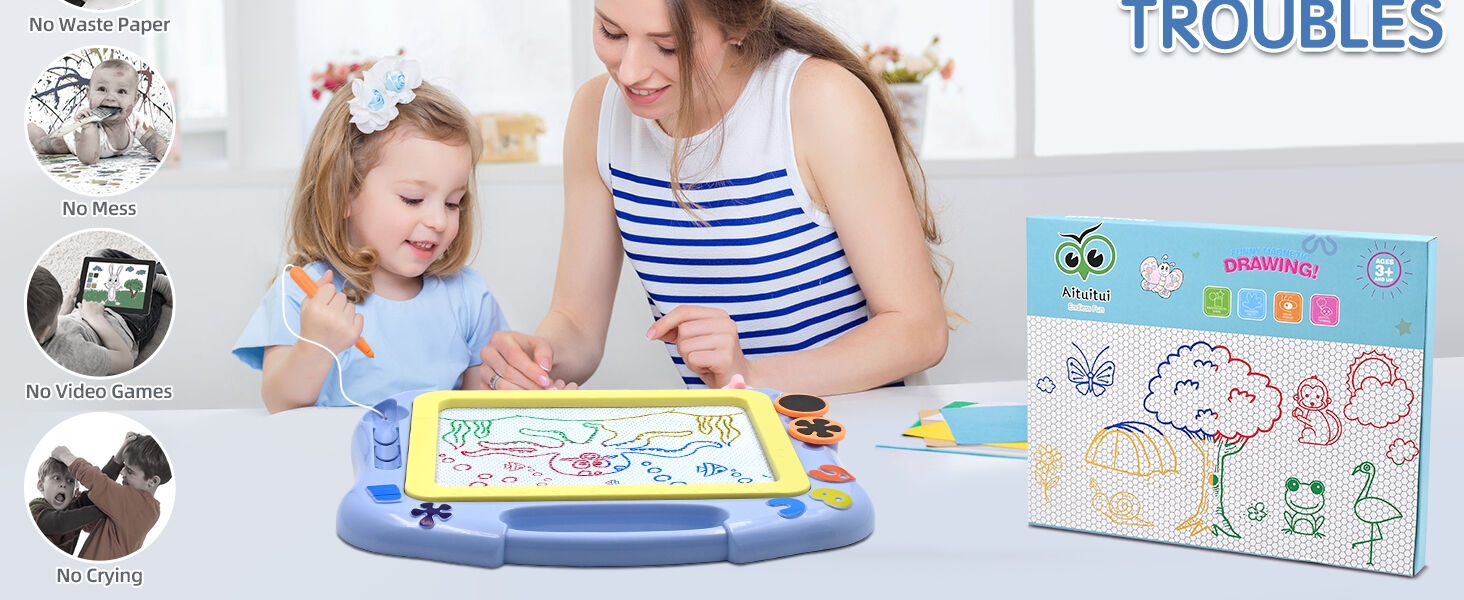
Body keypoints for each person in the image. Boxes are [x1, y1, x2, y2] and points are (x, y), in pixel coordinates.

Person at [481, 0, 950, 396]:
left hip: (859, 435)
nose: (631, 71)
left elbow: (917, 330)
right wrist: (536, 363)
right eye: (611, 31)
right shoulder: (597, 116)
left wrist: (754, 377)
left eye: (668, 46)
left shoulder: (816, 101)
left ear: (738, 26)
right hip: (735, 446)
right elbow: (576, 324)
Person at [232, 58, 533, 413]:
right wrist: (316, 346)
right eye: (413, 199)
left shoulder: (468, 296)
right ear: (343, 194)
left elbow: (474, 401)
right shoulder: (303, 293)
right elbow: (279, 401)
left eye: (454, 203)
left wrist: (515, 383)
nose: (438, 220)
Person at [29, 252, 172, 377]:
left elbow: (47, 327)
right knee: (148, 295)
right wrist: (95, 317)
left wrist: (67, 305)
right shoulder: (74, 356)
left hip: (89, 312)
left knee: (101, 256)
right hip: (125, 326)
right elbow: (125, 361)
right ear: (44, 332)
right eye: (55, 317)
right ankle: (159, 279)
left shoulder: (34, 335)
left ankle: (150, 274)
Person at [51, 433, 171, 562]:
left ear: (152, 481)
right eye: (124, 467)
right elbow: (90, 522)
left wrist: (64, 455)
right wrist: (120, 456)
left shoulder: (141, 505)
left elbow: (98, 482)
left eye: (130, 471)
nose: (122, 472)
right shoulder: (130, 507)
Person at [27, 58, 168, 164]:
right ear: (88, 93)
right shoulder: (88, 125)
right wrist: (88, 128)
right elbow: (89, 159)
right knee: (44, 146)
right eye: (102, 89)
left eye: (122, 91)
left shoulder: (136, 120)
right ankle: (32, 129)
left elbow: (151, 139)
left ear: (135, 100)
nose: (110, 98)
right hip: (76, 137)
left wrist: (162, 151)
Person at [29, 457, 104, 555]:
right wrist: (103, 509)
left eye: (70, 481)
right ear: (41, 485)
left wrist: (118, 461)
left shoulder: (75, 508)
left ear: (74, 491)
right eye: (57, 478)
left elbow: (101, 487)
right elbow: (59, 522)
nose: (63, 484)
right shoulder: (35, 508)